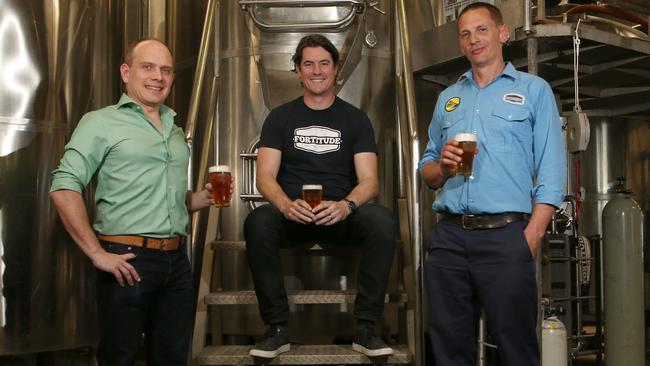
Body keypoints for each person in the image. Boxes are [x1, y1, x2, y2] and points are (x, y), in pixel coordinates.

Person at [50, 38, 216, 366]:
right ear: (126, 72)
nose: (158, 76)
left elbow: (156, 195)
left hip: (176, 262)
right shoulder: (100, 122)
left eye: (166, 70)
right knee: (120, 357)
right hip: (127, 261)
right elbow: (63, 186)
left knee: (171, 358)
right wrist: (97, 253)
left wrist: (198, 199)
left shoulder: (173, 127)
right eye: (148, 67)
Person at [419, 3, 566, 366]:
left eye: (482, 30)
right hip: (449, 238)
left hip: (506, 236)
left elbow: (552, 168)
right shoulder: (447, 99)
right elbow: (426, 170)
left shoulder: (534, 91)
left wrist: (531, 235)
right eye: (465, 34)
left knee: (515, 347)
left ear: (502, 34)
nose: (474, 40)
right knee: (449, 349)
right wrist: (444, 167)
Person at [244, 34, 396, 359]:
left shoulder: (355, 120)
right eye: (308, 63)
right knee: (258, 221)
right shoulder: (280, 118)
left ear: (336, 68)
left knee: (381, 220)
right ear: (297, 70)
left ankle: (366, 328)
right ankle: (277, 328)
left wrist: (346, 206)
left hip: (340, 216)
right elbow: (264, 177)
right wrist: (285, 205)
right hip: (293, 216)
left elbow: (370, 181)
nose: (316, 71)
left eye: (324, 63)